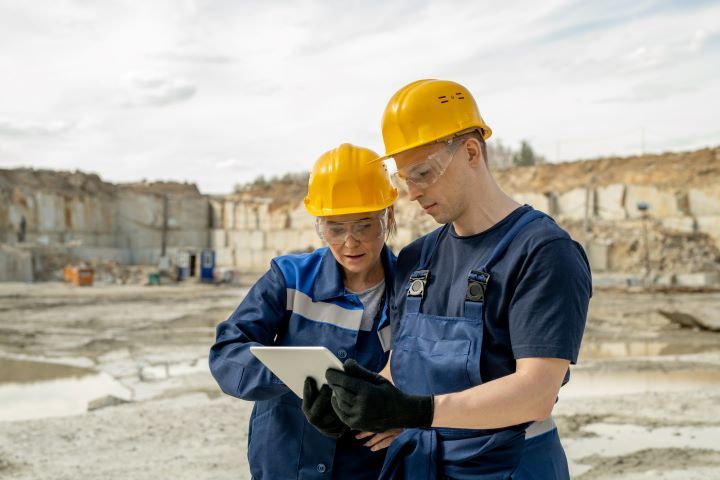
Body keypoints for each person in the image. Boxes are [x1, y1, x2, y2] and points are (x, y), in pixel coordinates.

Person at [322, 80, 592, 479]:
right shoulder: (417, 258)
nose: (412, 193)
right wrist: (351, 406)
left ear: (470, 151)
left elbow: (537, 394)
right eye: (404, 178)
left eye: (423, 173)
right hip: (421, 465)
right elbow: (404, 367)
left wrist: (416, 412)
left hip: (508, 466)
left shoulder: (542, 251)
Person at [208, 143, 400, 479]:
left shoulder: (414, 290)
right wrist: (297, 375)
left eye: (364, 225)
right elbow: (227, 354)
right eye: (335, 228)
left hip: (368, 470)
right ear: (319, 225)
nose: (350, 242)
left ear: (389, 217)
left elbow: (441, 378)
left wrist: (409, 420)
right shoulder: (290, 278)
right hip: (285, 464)